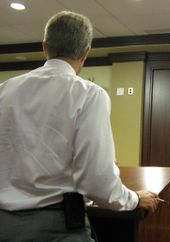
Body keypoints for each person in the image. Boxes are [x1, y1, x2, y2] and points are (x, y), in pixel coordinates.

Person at [0, 11, 159, 242]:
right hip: (56, 227)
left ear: (45, 47)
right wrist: (134, 199)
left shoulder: (4, 91)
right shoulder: (89, 95)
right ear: (86, 53)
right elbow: (96, 180)